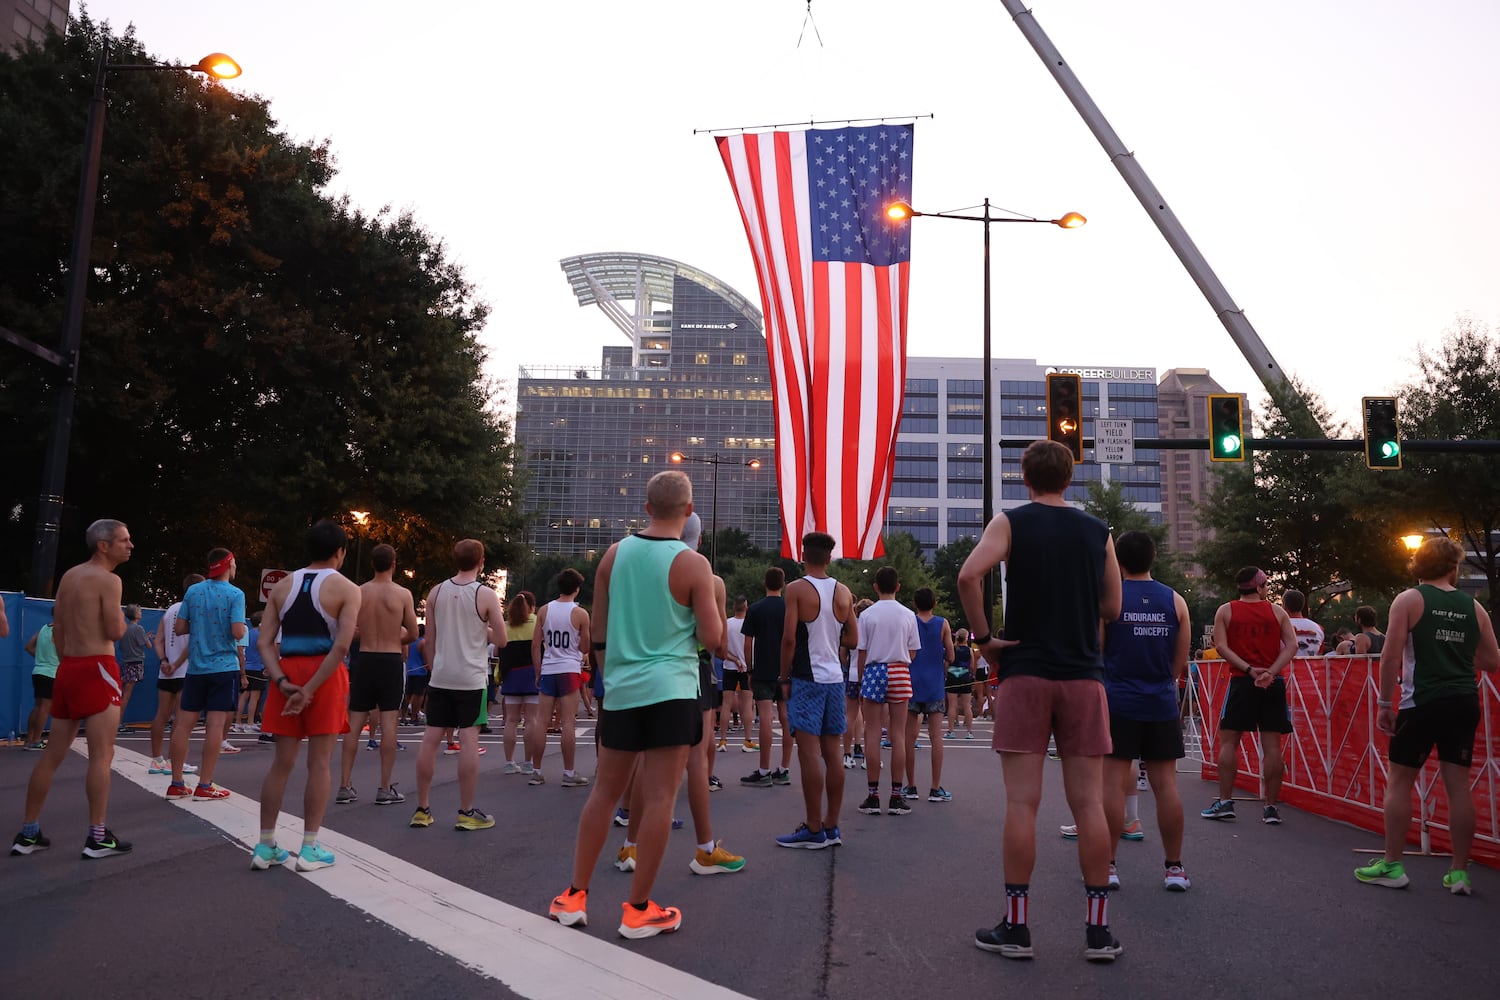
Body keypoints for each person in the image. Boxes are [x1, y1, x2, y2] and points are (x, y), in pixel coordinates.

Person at [957, 440, 1124, 962]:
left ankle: (1018, 927)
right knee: (1089, 804)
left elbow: (968, 576)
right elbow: (1113, 607)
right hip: (1082, 677)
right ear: (1070, 479)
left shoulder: (1011, 522)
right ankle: (1097, 933)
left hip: (1026, 672)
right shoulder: (1099, 532)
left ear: (1024, 478)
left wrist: (984, 640)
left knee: (1022, 804)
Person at [548, 470, 723, 939]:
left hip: (621, 689)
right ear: (688, 511)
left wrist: (613, 673)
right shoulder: (693, 564)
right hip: (673, 689)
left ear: (646, 508)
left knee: (605, 793)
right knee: (661, 797)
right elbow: (712, 638)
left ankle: (573, 896)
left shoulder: (613, 554)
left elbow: (598, 634)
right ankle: (639, 908)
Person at [1354, 537, 1499, 894]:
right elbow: (1492, 661)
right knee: (1458, 786)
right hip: (1464, 700)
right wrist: (1456, 657)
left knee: (1400, 782)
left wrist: (1384, 704)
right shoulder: (1473, 607)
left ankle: (1392, 864)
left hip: (1421, 701)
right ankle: (1460, 872)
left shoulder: (1409, 599)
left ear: (1419, 565)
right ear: (1454, 568)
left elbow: (1389, 656)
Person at [11, 519, 136, 859]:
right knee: (101, 755)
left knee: (52, 754)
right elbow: (114, 630)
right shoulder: (110, 581)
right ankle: (97, 836)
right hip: (98, 666)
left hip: (68, 669)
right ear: (103, 545)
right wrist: (124, 620)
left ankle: (28, 832)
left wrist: (69, 661)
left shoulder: (70, 576)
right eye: (124, 540)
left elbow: (60, 626)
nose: (130, 545)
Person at [255, 519, 361, 870]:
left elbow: (264, 642)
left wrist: (284, 682)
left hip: (287, 671)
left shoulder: (283, 585)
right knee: (319, 763)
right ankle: (310, 848)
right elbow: (342, 644)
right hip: (324, 676)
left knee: (281, 764)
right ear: (340, 552)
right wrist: (310, 689)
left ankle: (265, 844)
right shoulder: (347, 588)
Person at [1100, 531, 1193, 892]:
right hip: (1160, 701)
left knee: (1111, 785)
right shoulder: (1176, 600)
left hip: (1118, 700)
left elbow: (1099, 651)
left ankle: (1107, 865)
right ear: (1153, 558)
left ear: (1118, 561)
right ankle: (1174, 868)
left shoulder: (1109, 600)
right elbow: (1178, 664)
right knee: (1166, 785)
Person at [412, 539, 505, 830]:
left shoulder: (436, 592)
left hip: (441, 674)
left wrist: (433, 664)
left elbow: (430, 639)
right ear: (481, 561)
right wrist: (483, 629)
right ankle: (466, 811)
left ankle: (422, 808)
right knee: (468, 739)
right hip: (471, 677)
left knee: (430, 738)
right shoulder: (486, 594)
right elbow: (501, 640)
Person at [775, 531, 855, 847]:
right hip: (835, 678)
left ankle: (812, 827)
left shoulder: (795, 589)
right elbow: (854, 639)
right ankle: (831, 825)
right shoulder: (844, 591)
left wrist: (783, 677)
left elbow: (789, 639)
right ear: (830, 557)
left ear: (803, 556)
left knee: (808, 755)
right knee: (832, 753)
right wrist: (831, 638)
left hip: (806, 679)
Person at [1202, 566, 1297, 824]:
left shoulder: (1226, 610)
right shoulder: (1277, 612)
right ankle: (1270, 807)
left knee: (1229, 742)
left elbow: (1221, 646)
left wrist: (1249, 670)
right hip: (1272, 682)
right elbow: (1293, 645)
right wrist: (1270, 672)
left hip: (1242, 681)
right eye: (1265, 584)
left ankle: (1225, 801)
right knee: (1272, 746)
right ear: (1258, 586)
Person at [337, 544, 419, 807]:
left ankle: (344, 784)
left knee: (355, 722)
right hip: (390, 658)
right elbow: (414, 633)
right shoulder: (403, 594)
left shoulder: (358, 592)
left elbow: (349, 630)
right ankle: (384, 786)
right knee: (389, 723)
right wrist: (397, 637)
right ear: (394, 564)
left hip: (365, 658)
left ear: (372, 564)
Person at [168, 547, 247, 801]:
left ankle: (177, 782)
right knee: (215, 725)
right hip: (223, 667)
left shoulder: (194, 591)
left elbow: (180, 628)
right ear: (229, 564)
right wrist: (241, 625)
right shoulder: (236, 594)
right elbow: (237, 632)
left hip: (196, 668)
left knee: (183, 725)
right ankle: (204, 785)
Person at [853, 566, 918, 817]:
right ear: (898, 586)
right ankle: (896, 796)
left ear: (876, 587)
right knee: (898, 734)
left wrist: (861, 682)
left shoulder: (867, 615)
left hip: (874, 671)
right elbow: (912, 651)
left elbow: (862, 653)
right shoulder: (908, 614)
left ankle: (872, 795)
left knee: (871, 732)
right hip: (900, 670)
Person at [529, 568, 590, 787]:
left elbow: (536, 644)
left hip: (549, 668)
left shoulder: (544, 610)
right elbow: (584, 645)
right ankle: (569, 772)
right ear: (576, 588)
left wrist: (538, 671)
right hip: (569, 669)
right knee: (568, 723)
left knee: (541, 722)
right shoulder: (580, 614)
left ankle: (536, 770)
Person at [740, 568, 794, 786]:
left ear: (765, 583)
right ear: (783, 584)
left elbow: (747, 642)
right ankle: (784, 768)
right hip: (785, 669)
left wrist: (749, 669)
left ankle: (764, 770)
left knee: (765, 717)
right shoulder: (790, 609)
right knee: (785, 716)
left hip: (762, 668)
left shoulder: (755, 608)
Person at [905, 587, 954, 803]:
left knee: (908, 737)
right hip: (934, 685)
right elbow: (951, 655)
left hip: (911, 683)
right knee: (936, 738)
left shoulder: (909, 622)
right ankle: (935, 787)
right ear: (934, 603)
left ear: (915, 603)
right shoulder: (942, 624)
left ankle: (911, 785)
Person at [149, 576, 202, 774]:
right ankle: (174, 762)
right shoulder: (194, 609)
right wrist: (177, 664)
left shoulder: (170, 609)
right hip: (185, 670)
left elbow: (159, 640)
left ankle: (156, 760)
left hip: (166, 673)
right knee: (181, 720)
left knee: (161, 716)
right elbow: (193, 641)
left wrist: (164, 661)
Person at [499, 591, 539, 774]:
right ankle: (528, 763)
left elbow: (497, 652)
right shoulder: (538, 623)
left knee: (511, 720)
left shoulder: (505, 626)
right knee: (531, 720)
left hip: (510, 676)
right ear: (530, 607)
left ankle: (509, 762)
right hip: (532, 674)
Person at [723, 596, 756, 753]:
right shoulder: (750, 624)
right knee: (747, 703)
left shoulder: (727, 624)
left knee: (726, 703)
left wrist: (734, 659)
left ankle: (722, 740)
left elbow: (721, 648)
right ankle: (747, 740)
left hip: (729, 666)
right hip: (746, 667)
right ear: (746, 607)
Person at [23, 616, 58, 751]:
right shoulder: (60, 630)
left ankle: (29, 739)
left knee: (37, 706)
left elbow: (28, 647)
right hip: (51, 672)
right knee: (45, 707)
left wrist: (40, 658)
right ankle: (36, 740)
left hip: (38, 671)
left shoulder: (43, 628)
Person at [116, 605, 148, 730]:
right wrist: (147, 639)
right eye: (139, 611)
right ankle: (118, 723)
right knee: (126, 695)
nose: (141, 612)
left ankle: (117, 722)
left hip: (125, 662)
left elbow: (122, 647)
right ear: (135, 614)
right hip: (135, 662)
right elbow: (147, 645)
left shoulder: (124, 628)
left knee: (122, 693)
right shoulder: (139, 628)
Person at [235, 611, 267, 734]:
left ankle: (238, 723)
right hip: (258, 667)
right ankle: (250, 723)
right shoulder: (261, 634)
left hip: (246, 666)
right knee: (255, 697)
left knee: (243, 696)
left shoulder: (247, 632)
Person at [945, 627, 976, 740]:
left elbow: (947, 664)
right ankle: (969, 732)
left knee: (952, 705)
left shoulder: (952, 649)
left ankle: (951, 731)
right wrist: (971, 675)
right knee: (967, 705)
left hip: (953, 676)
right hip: (965, 676)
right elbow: (972, 666)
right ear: (966, 638)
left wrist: (947, 674)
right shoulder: (969, 650)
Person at [1283, 589, 1325, 657]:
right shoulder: (1319, 628)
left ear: (1284, 605)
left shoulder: (1279, 626)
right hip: (1311, 667)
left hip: (1286, 667)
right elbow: (1319, 653)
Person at [402, 624, 429, 725]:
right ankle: (414, 716)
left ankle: (403, 717)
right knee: (419, 695)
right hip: (420, 671)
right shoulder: (423, 642)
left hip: (409, 670)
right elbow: (426, 657)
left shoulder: (410, 642)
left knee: (407, 695)